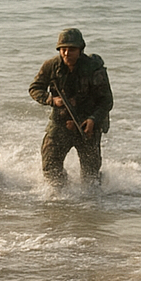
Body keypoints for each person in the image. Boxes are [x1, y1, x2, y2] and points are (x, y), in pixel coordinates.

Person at [29, 28, 113, 186]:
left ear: (80, 50)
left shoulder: (94, 68)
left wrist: (93, 120)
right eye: (63, 49)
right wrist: (51, 100)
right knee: (50, 164)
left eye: (71, 49)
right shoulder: (51, 66)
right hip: (61, 121)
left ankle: (93, 202)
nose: (67, 53)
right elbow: (34, 88)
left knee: (91, 174)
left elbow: (106, 101)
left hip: (87, 123)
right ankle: (61, 194)